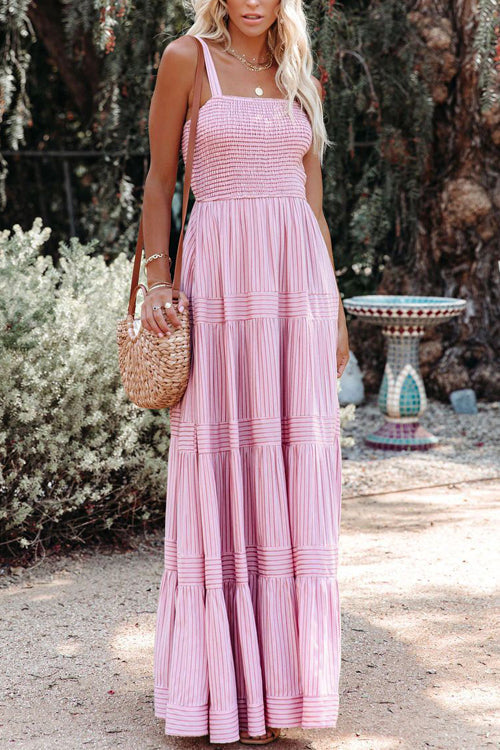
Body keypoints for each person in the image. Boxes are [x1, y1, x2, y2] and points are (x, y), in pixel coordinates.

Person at [141, 0, 350, 745]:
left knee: (292, 465)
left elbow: (312, 200)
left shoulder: (300, 75)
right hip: (222, 282)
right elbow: (161, 181)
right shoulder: (185, 59)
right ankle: (217, 688)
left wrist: (334, 305)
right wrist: (157, 281)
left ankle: (285, 688)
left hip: (296, 287)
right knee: (221, 455)